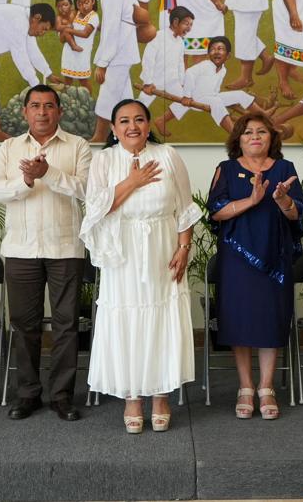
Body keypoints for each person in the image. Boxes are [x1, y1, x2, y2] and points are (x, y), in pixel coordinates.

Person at [81, 100, 196, 433]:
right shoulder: (103, 160)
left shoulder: (168, 155)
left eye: (139, 119)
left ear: (148, 124)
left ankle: (160, 395)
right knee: (127, 320)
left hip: (162, 248)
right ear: (114, 129)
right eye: (124, 121)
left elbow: (185, 209)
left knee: (161, 319)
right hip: (122, 255)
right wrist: (132, 181)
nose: (133, 126)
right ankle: (132, 397)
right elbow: (96, 209)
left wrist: (183, 248)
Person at [0, 84, 92, 421]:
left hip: (65, 247)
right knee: (24, 324)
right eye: (35, 106)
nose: (42, 112)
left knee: (66, 325)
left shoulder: (78, 146)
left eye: (49, 106)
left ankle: (61, 396)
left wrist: (51, 174)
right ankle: (28, 393)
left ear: (59, 111)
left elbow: (89, 189)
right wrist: (26, 182)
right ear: (25, 112)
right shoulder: (8, 148)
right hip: (21, 249)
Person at [207, 111, 303, 421]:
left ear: (271, 138)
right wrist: (252, 199)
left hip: (274, 256)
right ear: (238, 138)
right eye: (248, 132)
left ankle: (266, 387)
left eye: (261, 132)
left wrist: (281, 201)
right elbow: (215, 212)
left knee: (269, 319)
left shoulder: (285, 169)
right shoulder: (225, 169)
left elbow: (297, 214)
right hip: (236, 258)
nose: (254, 137)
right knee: (240, 321)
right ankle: (245, 387)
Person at [0, 3, 57, 142]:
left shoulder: (25, 21)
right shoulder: (19, 22)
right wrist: (36, 85)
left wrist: (48, 73)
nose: (42, 33)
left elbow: (33, 52)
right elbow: (20, 57)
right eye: (43, 28)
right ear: (36, 18)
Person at [83, 0, 142, 143]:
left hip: (119, 52)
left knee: (108, 93)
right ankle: (129, 135)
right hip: (122, 50)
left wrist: (102, 63)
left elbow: (111, 30)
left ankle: (100, 136)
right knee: (125, 97)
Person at [179, 36, 257, 133]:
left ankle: (263, 116)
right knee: (216, 102)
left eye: (220, 49)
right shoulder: (205, 65)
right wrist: (187, 96)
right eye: (212, 49)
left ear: (228, 56)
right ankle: (234, 133)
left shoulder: (223, 70)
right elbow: (189, 73)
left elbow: (216, 89)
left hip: (212, 96)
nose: (216, 52)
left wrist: (224, 98)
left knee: (240, 94)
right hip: (197, 100)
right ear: (208, 55)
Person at [139, 6, 194, 128]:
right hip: (154, 81)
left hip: (172, 81)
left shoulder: (180, 42)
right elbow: (148, 60)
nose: (189, 28)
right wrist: (148, 82)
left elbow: (180, 63)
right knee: (140, 107)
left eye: (191, 25)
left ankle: (161, 121)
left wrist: (182, 82)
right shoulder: (158, 37)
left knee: (185, 102)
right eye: (186, 24)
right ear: (175, 22)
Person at [60, 0, 99, 90]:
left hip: (82, 51)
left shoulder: (93, 16)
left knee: (83, 80)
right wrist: (66, 30)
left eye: (86, 2)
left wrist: (69, 30)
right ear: (76, 5)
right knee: (68, 79)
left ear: (93, 1)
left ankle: (90, 102)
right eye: (80, 4)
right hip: (69, 51)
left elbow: (86, 33)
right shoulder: (75, 14)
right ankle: (66, 102)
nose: (84, 6)